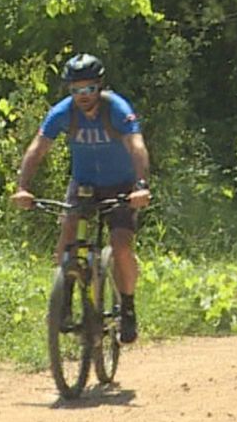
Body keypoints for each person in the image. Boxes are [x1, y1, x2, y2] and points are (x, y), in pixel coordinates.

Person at [11, 54, 153, 342]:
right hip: (84, 184)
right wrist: (23, 187)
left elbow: (137, 146)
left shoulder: (117, 109)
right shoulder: (63, 113)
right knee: (67, 237)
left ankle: (127, 307)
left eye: (89, 89)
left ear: (100, 86)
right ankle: (63, 300)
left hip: (121, 186)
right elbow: (37, 148)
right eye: (75, 90)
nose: (82, 96)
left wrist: (140, 186)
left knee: (121, 245)